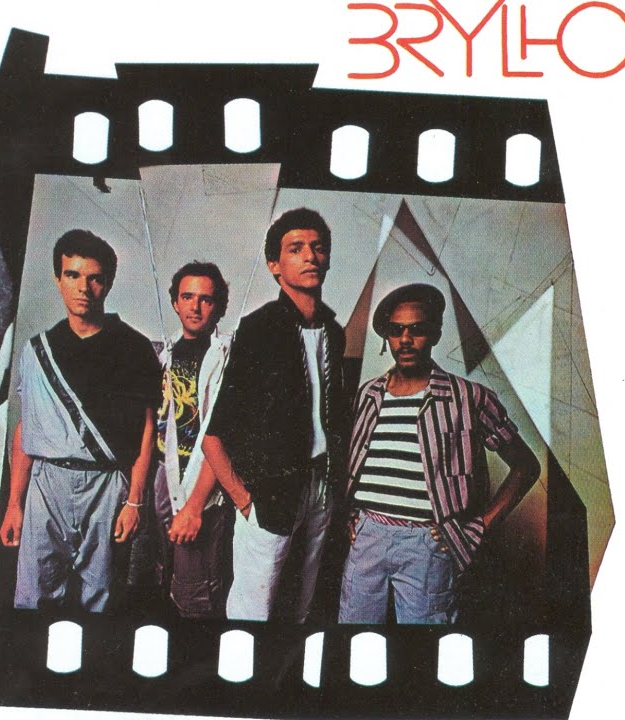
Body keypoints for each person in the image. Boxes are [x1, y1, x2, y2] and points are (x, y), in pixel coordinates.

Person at [338, 284, 541, 624]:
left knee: (424, 646)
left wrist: (479, 527)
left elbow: (526, 466)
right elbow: (357, 463)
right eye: (396, 330)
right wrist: (351, 513)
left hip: (427, 545)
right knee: (356, 640)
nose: (405, 339)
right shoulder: (368, 394)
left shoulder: (469, 397)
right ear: (387, 337)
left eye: (417, 329)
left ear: (435, 333)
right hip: (367, 538)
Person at [0, 229, 162, 612]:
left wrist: (135, 501)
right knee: (33, 597)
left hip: (106, 484)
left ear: (108, 282)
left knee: (101, 599)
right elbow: (27, 428)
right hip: (46, 482)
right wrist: (14, 503)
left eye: (94, 278)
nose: (83, 288)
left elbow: (146, 430)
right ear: (58, 279)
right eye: (72, 275)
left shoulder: (134, 348)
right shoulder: (37, 350)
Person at [201, 208, 352, 623]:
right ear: (274, 265)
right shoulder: (259, 329)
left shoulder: (334, 332)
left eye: (318, 248)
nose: (311, 257)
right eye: (296, 248)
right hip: (269, 492)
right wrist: (244, 499)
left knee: (303, 600)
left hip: (321, 484)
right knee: (254, 607)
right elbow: (215, 433)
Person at [152, 261, 235, 618]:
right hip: (162, 474)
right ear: (175, 302)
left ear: (219, 307)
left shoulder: (230, 356)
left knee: (195, 590)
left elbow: (226, 436)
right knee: (159, 573)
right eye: (187, 297)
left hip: (203, 481)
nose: (195, 307)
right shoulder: (163, 353)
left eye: (206, 299)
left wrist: (197, 505)